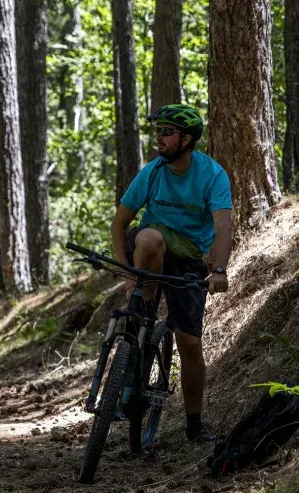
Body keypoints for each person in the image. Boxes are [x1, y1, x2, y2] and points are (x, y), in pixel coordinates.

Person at [111, 104, 232, 443]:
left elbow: (223, 226)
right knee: (149, 237)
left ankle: (194, 423)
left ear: (187, 138)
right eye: (157, 131)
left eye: (167, 132)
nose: (159, 138)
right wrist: (128, 276)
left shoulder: (212, 175)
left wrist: (219, 269)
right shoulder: (152, 172)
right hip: (150, 252)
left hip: (189, 259)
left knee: (190, 344)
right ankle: (144, 306)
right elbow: (120, 223)